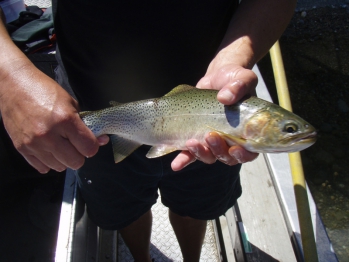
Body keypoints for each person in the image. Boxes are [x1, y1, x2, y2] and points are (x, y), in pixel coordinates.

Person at [0, 0, 297, 261]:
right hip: (89, 95)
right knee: (124, 207)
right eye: (289, 129)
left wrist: (234, 57)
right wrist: (9, 77)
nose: (292, 134)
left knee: (196, 204)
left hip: (218, 96)